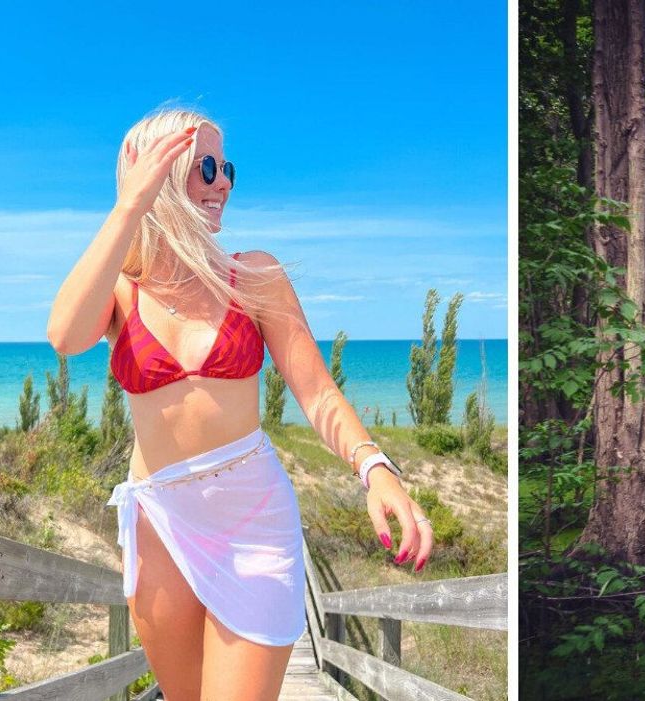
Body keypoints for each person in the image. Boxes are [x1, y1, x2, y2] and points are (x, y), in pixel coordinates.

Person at [47, 108, 433, 701]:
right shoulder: (123, 288)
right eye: (207, 167)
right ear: (158, 174)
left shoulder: (254, 275)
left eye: (228, 169)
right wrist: (128, 208)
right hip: (159, 523)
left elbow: (317, 391)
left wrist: (374, 467)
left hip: (252, 520)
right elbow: (65, 336)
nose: (223, 182)